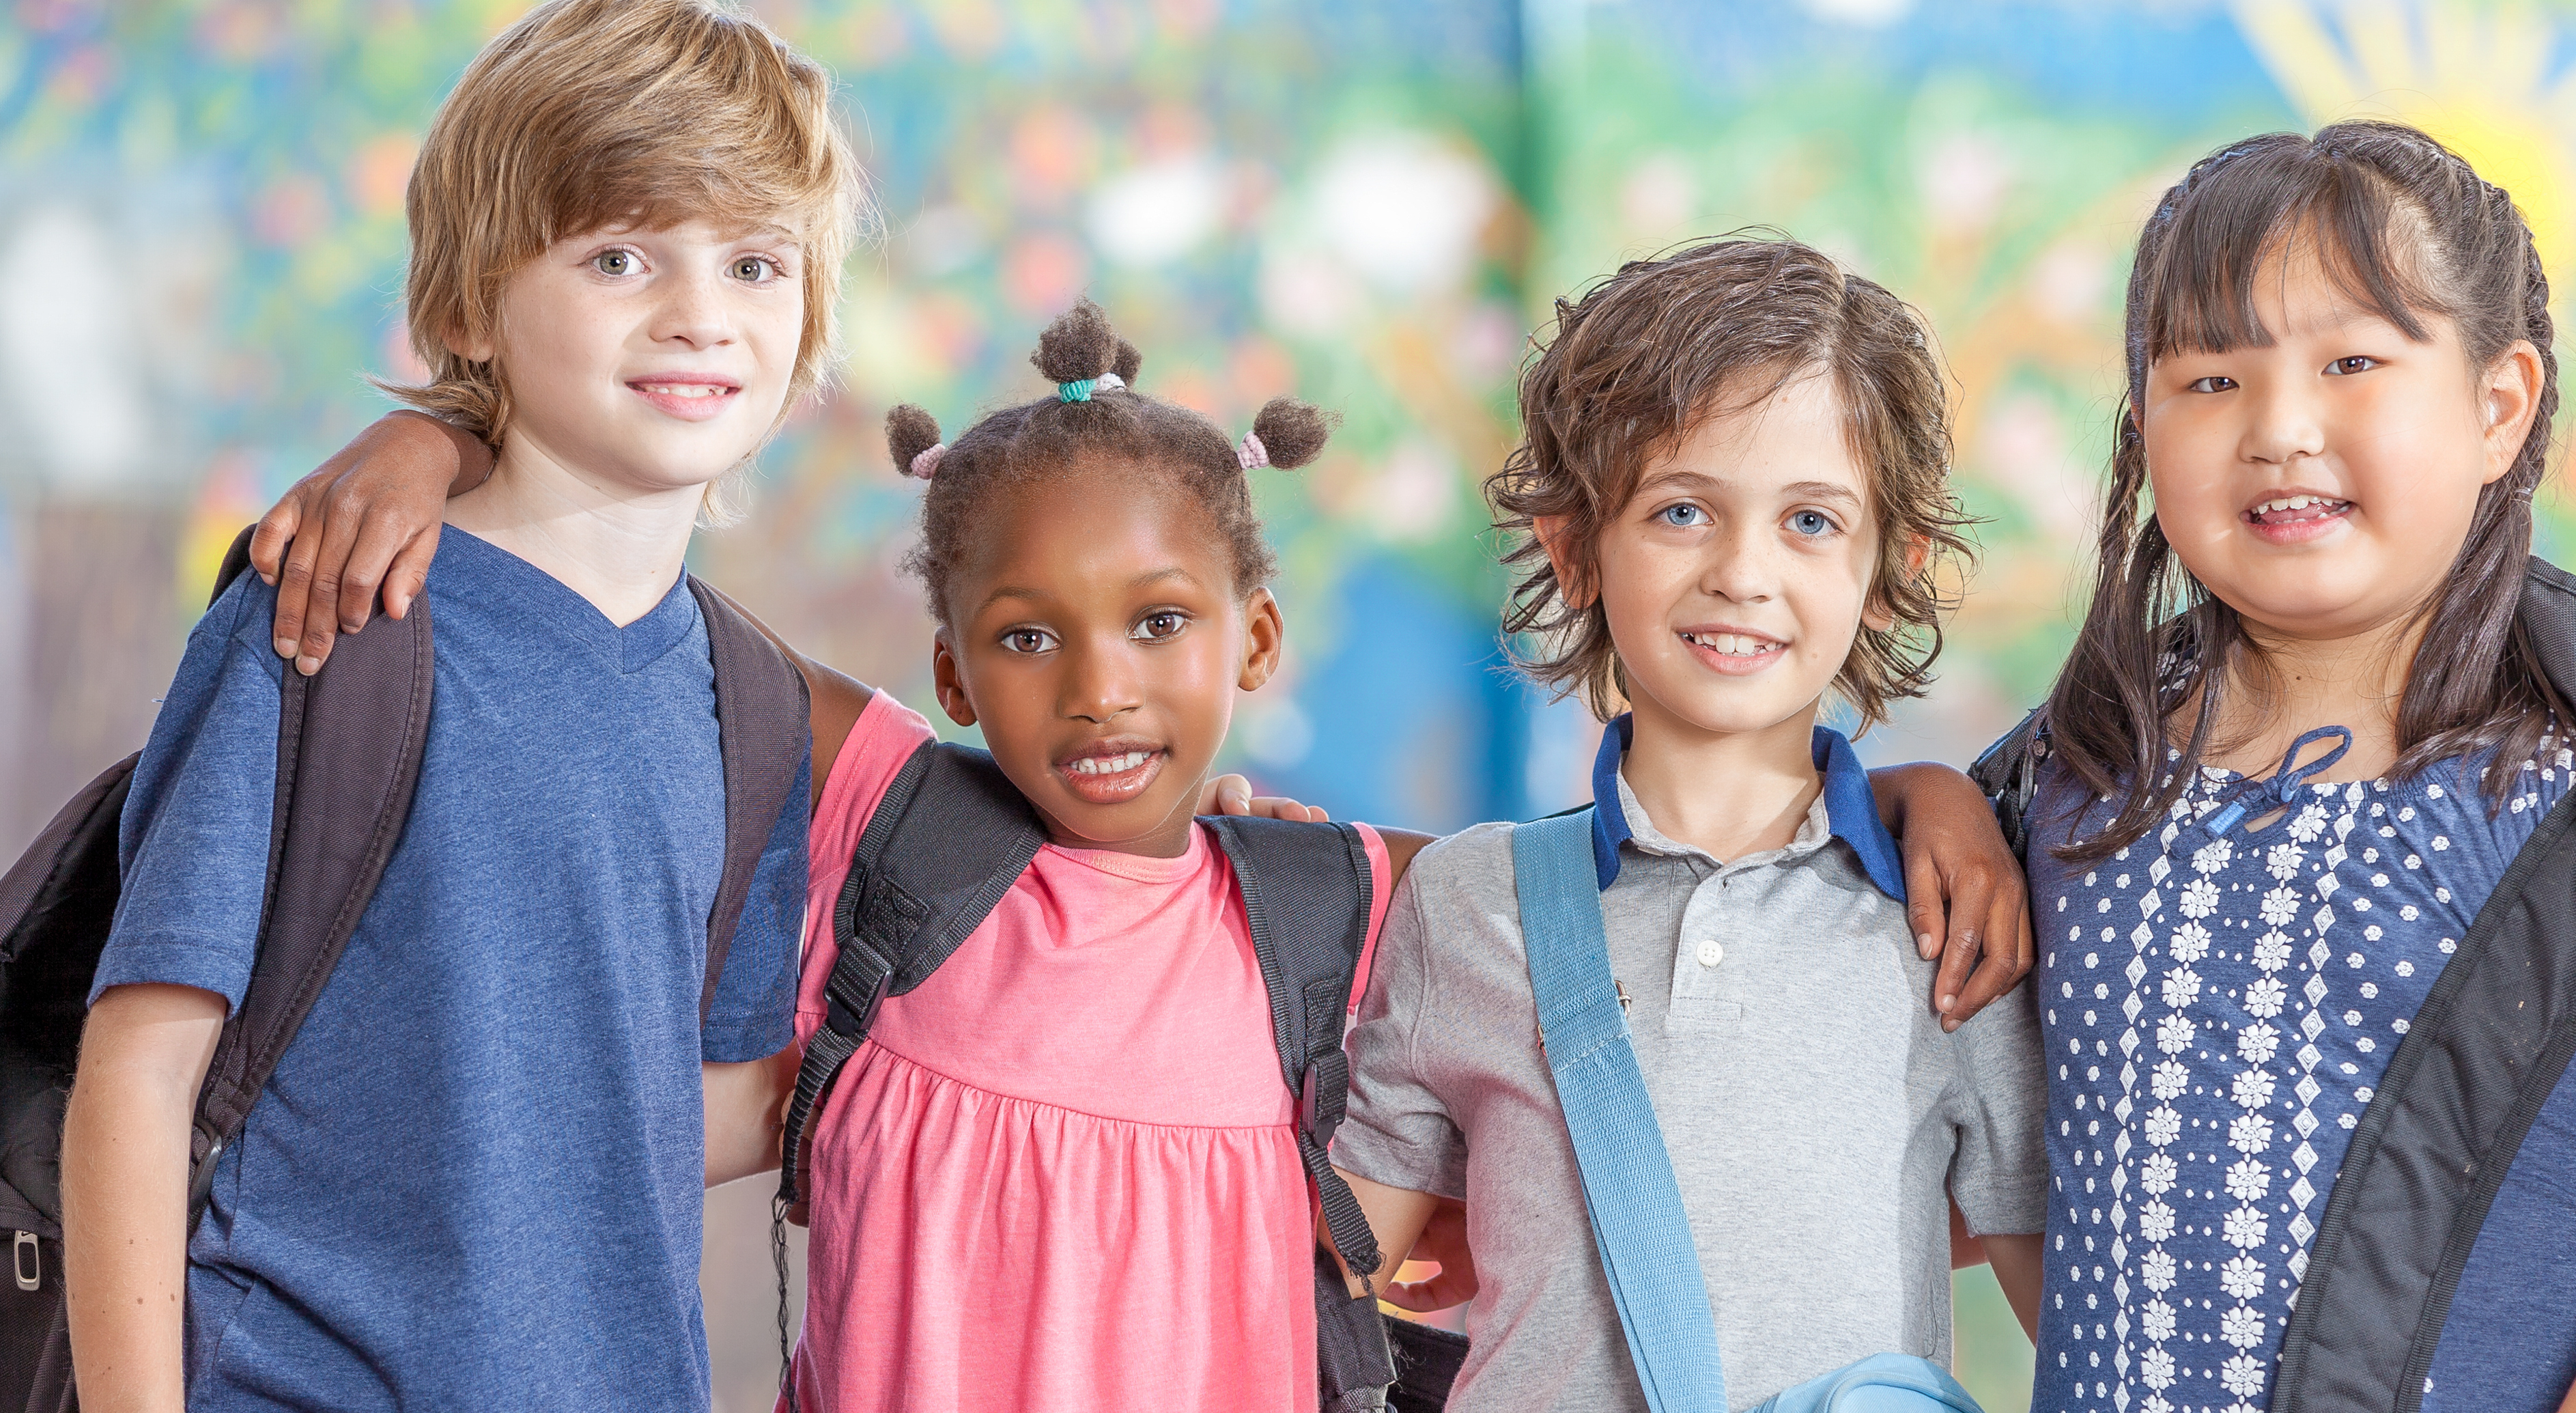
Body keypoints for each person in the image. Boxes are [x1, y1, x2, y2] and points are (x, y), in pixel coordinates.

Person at [58, 1, 849, 1407]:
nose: (701, 315)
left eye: (753, 262)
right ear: (465, 307)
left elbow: (692, 1112)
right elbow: (137, 1073)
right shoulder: (331, 616)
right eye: (619, 255)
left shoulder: (755, 711)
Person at [1326, 236, 2050, 1411]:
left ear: (1889, 565)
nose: (1742, 572)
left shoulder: (1953, 922)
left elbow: (2076, 1327)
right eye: (1679, 511)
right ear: (1573, 550)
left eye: (1811, 521)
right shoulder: (1467, 902)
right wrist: (1174, 870)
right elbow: (1330, 1264)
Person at [2009, 121, 2576, 1413]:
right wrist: (1919, 802)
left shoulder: (2550, 792)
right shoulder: (2079, 767)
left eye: (2352, 362)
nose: (2276, 427)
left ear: (2498, 407)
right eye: (2208, 379)